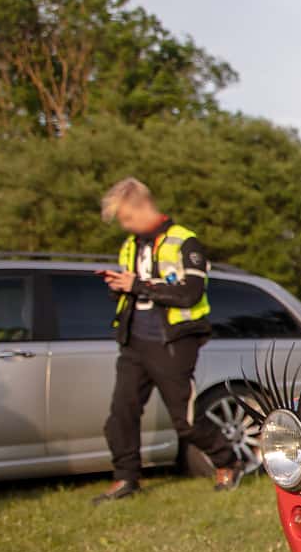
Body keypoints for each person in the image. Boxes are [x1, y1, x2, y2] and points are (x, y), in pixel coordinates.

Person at [93, 178, 241, 503]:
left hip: (173, 341)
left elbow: (190, 293)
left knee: (184, 422)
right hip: (134, 342)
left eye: (127, 218)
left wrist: (139, 286)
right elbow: (135, 287)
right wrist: (119, 286)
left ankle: (227, 461)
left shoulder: (185, 241)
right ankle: (126, 479)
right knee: (121, 414)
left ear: (143, 207)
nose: (125, 226)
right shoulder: (130, 245)